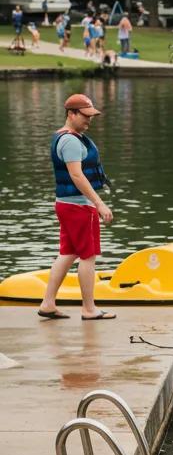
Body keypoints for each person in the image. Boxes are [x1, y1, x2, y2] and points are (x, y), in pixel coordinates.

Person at [38, 94, 115, 320]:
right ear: (71, 114)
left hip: (66, 205)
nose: (89, 121)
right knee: (87, 257)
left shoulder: (64, 137)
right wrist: (98, 203)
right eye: (85, 116)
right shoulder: (71, 141)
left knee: (68, 253)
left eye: (91, 116)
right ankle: (89, 309)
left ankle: (48, 303)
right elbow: (77, 176)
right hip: (79, 207)